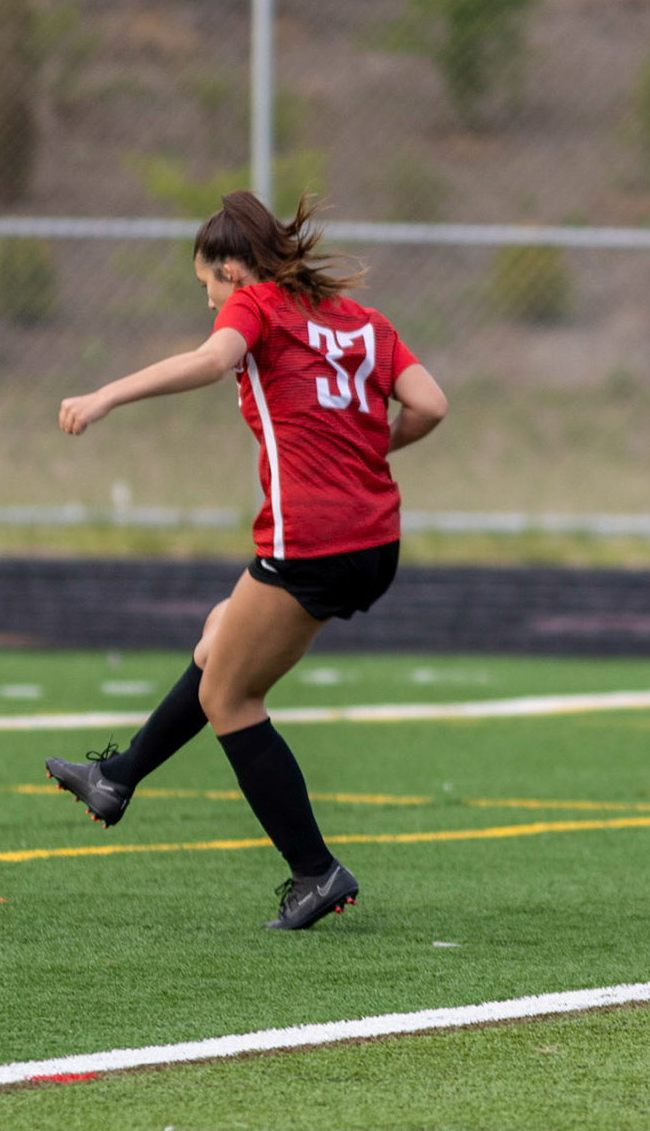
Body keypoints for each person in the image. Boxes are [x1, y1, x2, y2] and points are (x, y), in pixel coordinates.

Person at [45, 191, 447, 930]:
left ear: (232, 271)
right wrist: (369, 451)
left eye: (207, 285)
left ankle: (315, 872)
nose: (210, 301)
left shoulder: (256, 305)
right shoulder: (364, 321)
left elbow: (212, 361)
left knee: (229, 699)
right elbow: (430, 403)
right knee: (218, 636)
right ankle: (117, 778)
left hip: (313, 540)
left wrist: (106, 395)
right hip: (375, 539)